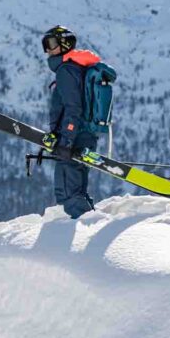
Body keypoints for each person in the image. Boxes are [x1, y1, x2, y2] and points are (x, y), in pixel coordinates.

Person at [41, 25, 100, 219]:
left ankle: (79, 240)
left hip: (73, 138)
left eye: (51, 44)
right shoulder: (77, 68)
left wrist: (65, 141)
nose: (48, 50)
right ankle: (88, 221)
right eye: (45, 44)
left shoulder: (67, 70)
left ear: (65, 44)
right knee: (76, 191)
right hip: (83, 135)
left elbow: (74, 109)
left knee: (68, 195)